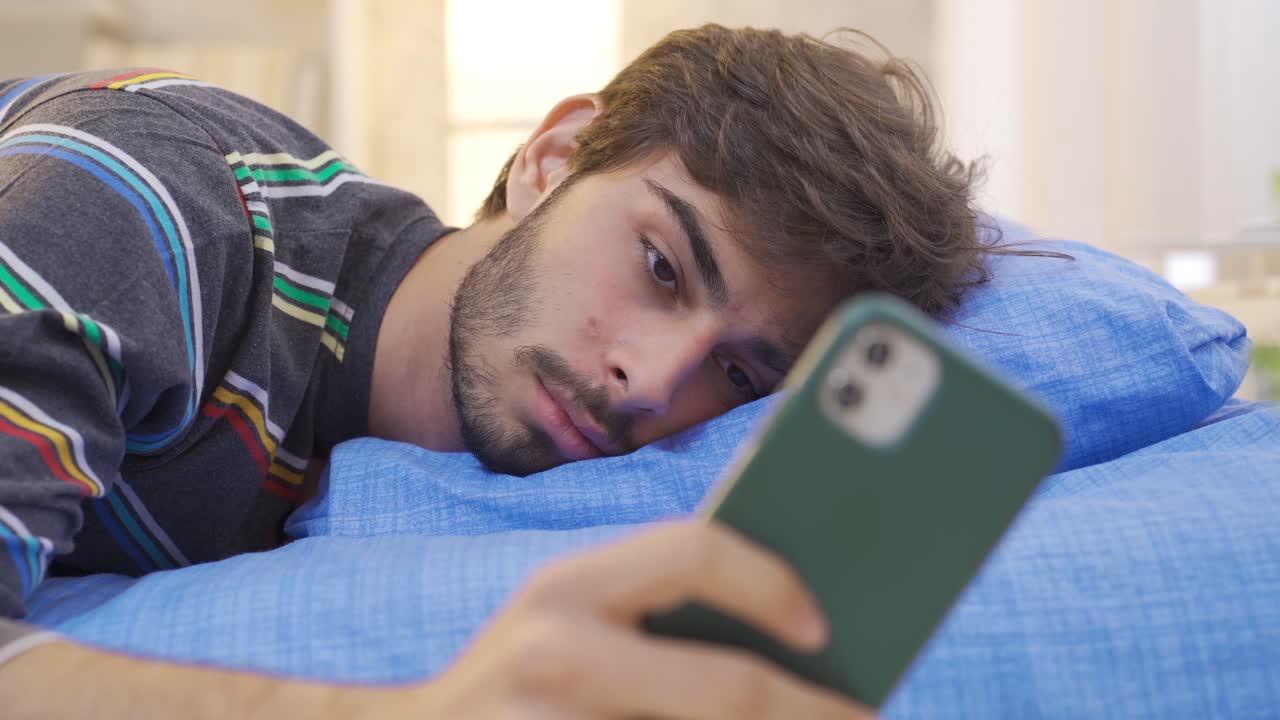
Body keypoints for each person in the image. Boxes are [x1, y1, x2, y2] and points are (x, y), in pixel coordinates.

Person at [0, 24, 987, 717]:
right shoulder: (153, 218)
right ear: (551, 158)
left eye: (733, 376)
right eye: (660, 267)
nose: (647, 383)